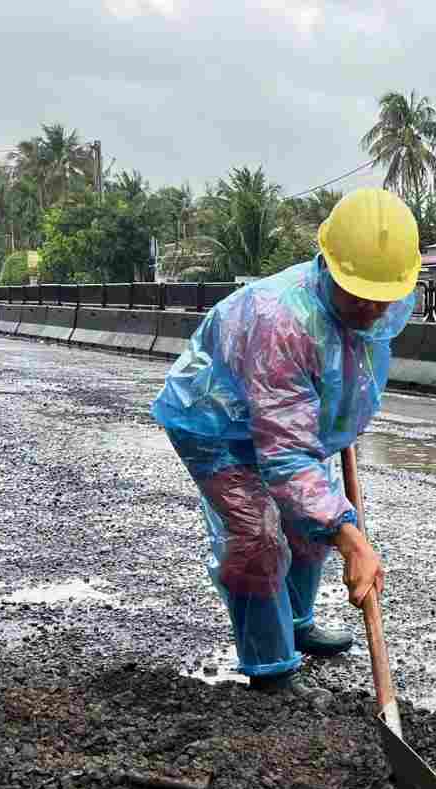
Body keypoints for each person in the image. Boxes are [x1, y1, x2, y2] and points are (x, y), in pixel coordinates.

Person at [152, 188, 420, 695]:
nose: (369, 307)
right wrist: (351, 536)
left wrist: (337, 437)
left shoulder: (380, 299)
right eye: (355, 292)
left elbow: (348, 376)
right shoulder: (282, 322)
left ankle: (297, 625)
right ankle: (271, 670)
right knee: (257, 536)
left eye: (379, 297)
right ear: (327, 264)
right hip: (214, 420)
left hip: (289, 421)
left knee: (305, 529)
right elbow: (285, 454)